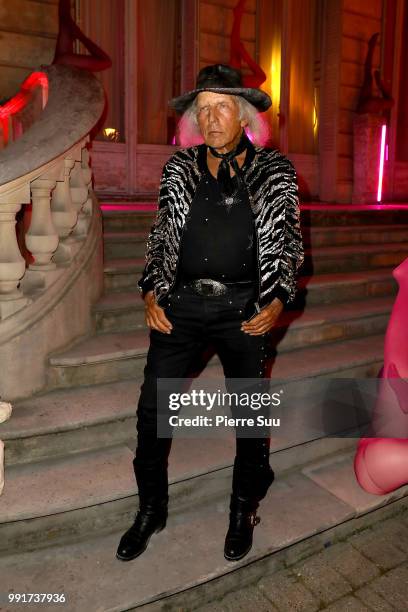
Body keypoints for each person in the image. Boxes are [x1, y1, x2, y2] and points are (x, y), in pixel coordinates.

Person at [116, 64, 304, 563]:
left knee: (248, 414)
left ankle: (243, 509)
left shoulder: (274, 170)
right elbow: (161, 238)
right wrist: (151, 292)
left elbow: (287, 243)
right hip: (179, 307)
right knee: (152, 413)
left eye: (221, 106)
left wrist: (278, 298)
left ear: (242, 115)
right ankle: (151, 509)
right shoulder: (179, 169)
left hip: (244, 309)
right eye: (203, 109)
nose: (211, 118)